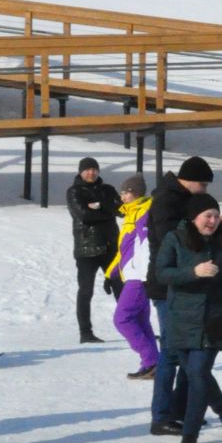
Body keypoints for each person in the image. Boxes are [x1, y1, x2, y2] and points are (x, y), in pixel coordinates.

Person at [153, 193, 222, 443]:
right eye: (207, 216)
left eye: (215, 215)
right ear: (193, 217)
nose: (212, 221)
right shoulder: (174, 239)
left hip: (214, 318)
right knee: (196, 374)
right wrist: (193, 272)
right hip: (182, 318)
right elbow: (162, 273)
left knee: (198, 372)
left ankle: (190, 432)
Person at [146, 156, 215, 436]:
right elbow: (170, 240)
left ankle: (181, 409)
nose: (204, 190)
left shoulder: (182, 197)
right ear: (188, 180)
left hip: (185, 282)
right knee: (173, 352)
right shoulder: (166, 200)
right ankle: (162, 415)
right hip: (167, 285)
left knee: (187, 348)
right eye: (202, 184)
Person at [106, 175, 157, 380]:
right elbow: (124, 250)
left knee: (122, 319)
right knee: (140, 320)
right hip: (132, 275)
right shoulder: (130, 214)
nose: (122, 196)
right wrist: (111, 274)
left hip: (140, 276)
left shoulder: (143, 212)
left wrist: (147, 274)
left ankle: (152, 359)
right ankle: (153, 363)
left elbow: (147, 247)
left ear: (135, 192)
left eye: (126, 192)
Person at [67, 156, 121, 343]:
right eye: (87, 169)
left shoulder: (108, 189)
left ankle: (134, 326)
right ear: (81, 172)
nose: (91, 173)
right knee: (85, 291)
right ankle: (85, 333)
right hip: (86, 250)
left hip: (110, 248)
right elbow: (83, 215)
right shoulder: (74, 191)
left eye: (94, 169)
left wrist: (98, 206)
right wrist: (106, 209)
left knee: (122, 287)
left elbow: (120, 210)